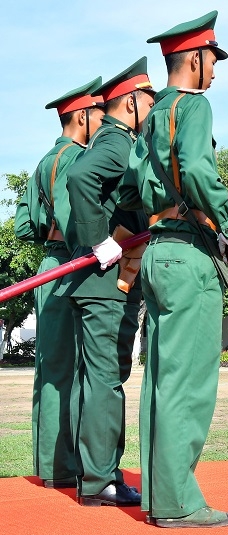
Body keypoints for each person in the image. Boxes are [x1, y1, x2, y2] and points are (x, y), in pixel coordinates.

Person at [118, 11, 228, 528]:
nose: (214, 71)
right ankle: (177, 503)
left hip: (157, 252)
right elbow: (195, 168)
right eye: (212, 60)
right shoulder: (194, 106)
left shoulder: (150, 118)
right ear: (193, 59)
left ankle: (160, 496)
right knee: (189, 384)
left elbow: (129, 188)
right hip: (189, 253)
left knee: (162, 383)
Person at [55, 60, 155, 507]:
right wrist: (99, 240)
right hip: (105, 280)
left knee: (98, 378)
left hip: (104, 279)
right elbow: (79, 177)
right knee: (106, 380)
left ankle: (94, 471)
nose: (154, 107)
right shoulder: (116, 142)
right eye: (149, 100)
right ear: (131, 102)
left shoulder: (118, 141)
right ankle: (100, 479)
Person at [14, 78, 105, 489]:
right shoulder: (74, 159)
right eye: (99, 112)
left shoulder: (42, 162)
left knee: (51, 369)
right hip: (72, 266)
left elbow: (20, 227)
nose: (103, 118)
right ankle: (68, 468)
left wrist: (48, 231)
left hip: (47, 267)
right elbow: (75, 223)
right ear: (82, 116)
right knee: (76, 369)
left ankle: (52, 469)